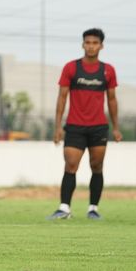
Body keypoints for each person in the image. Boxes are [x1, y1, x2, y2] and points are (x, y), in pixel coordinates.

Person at [48, 28, 122, 220]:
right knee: (71, 164)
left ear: (101, 46)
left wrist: (115, 127)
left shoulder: (108, 71)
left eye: (95, 43)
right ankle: (64, 209)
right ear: (82, 44)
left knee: (96, 166)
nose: (91, 46)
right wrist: (57, 127)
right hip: (75, 126)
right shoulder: (71, 68)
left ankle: (93, 209)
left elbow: (112, 100)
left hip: (98, 127)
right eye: (87, 42)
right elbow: (62, 98)